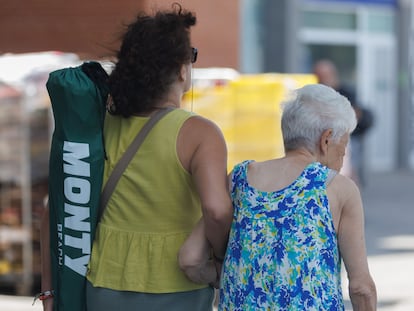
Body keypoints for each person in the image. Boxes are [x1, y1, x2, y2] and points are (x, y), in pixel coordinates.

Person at [40, 4, 233, 311]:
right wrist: (221, 261)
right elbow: (217, 210)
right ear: (182, 68)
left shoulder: (98, 124)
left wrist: (50, 292)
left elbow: (56, 207)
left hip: (104, 284)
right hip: (178, 288)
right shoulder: (201, 133)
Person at [218, 84, 377, 310]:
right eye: (343, 148)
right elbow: (362, 288)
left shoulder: (240, 178)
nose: (342, 159)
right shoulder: (338, 188)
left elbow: (190, 258)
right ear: (326, 139)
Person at [313, 59, 374, 186]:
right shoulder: (314, 94)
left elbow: (356, 113)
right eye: (319, 76)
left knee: (346, 169)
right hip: (323, 139)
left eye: (324, 76)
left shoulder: (345, 92)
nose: (322, 80)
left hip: (345, 137)